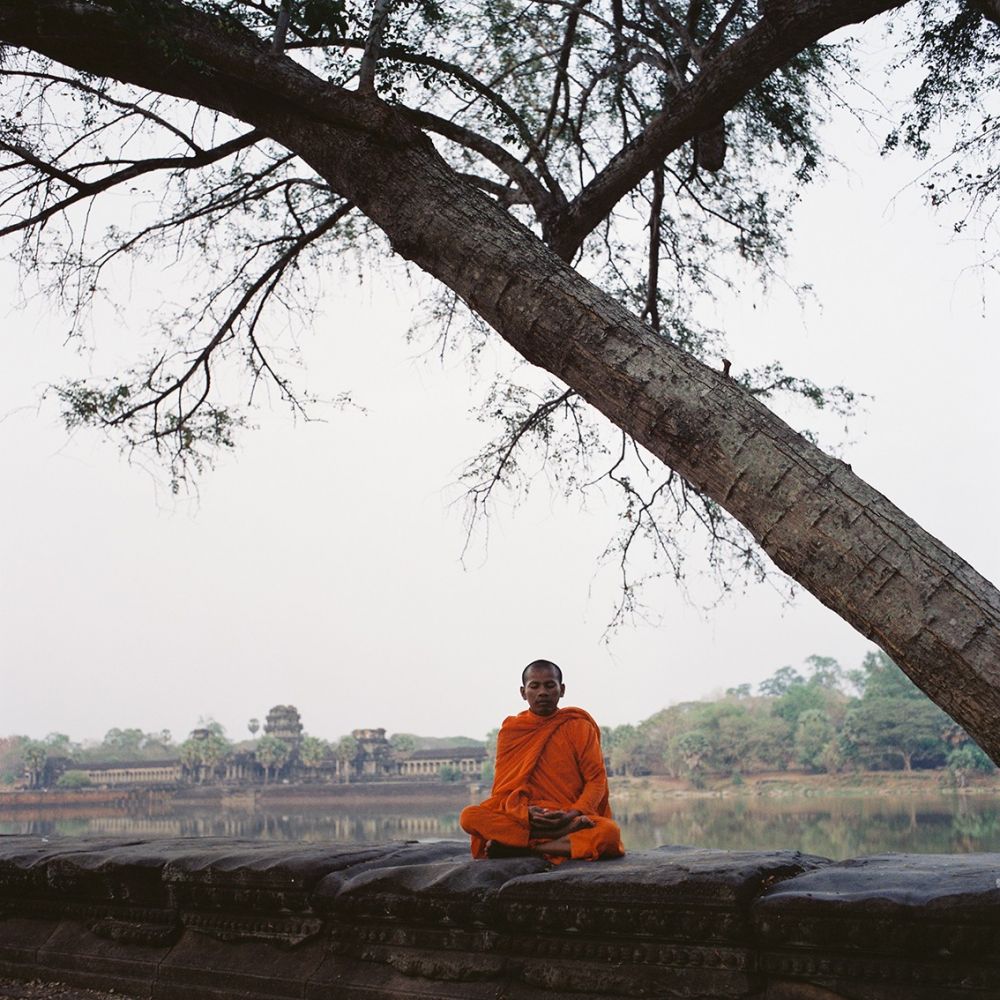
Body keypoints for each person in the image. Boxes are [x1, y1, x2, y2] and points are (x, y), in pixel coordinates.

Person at [459, 659, 624, 861]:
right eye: (534, 686)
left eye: (550, 685)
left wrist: (572, 813)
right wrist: (525, 813)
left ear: (561, 689)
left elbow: (596, 781)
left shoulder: (579, 726)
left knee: (609, 832)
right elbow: (504, 790)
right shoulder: (512, 731)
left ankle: (526, 848)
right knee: (469, 816)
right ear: (523, 692)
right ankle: (551, 842)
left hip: (568, 816)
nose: (542, 692)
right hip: (527, 817)